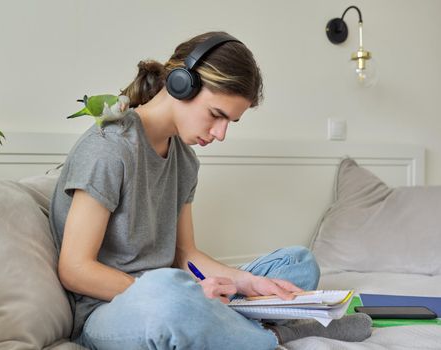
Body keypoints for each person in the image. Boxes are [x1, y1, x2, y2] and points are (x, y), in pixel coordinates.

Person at [49, 31, 372, 349]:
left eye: (230, 122)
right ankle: (273, 336)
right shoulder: (109, 147)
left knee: (298, 263)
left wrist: (246, 282)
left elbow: (186, 254)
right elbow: (75, 270)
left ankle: (227, 323)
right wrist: (186, 292)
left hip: (181, 293)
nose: (220, 134)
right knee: (168, 290)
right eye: (216, 115)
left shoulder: (185, 160)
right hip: (117, 310)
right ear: (180, 84)